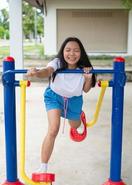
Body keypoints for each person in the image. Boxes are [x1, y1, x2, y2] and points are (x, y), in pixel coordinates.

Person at [26, 37, 96, 175]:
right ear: (63, 51)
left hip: (74, 100)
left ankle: (79, 117)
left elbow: (86, 89)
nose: (71, 54)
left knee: (75, 126)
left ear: (81, 53)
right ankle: (43, 167)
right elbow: (47, 71)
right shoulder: (57, 62)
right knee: (53, 129)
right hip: (54, 97)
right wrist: (37, 72)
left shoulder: (84, 68)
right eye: (68, 50)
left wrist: (88, 79)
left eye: (76, 50)